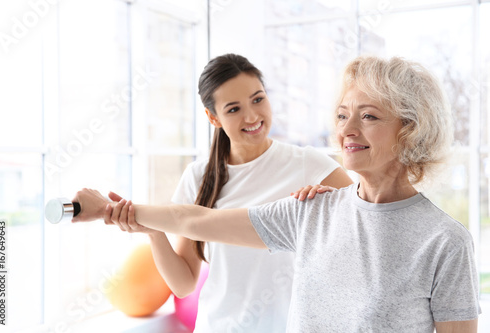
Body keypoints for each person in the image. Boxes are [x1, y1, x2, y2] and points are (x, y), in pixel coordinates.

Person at [74, 55, 481, 332]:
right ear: (213, 117)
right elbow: (193, 221)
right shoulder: (308, 211)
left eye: (369, 116)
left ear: (411, 130)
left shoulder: (445, 241)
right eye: (341, 116)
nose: (346, 130)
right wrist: (116, 211)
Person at [75, 53, 352, 332]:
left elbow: (366, 222)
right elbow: (184, 285)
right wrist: (153, 231)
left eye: (258, 99)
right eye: (233, 109)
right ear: (213, 117)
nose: (252, 116)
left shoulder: (309, 165)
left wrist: (331, 207)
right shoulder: (198, 177)